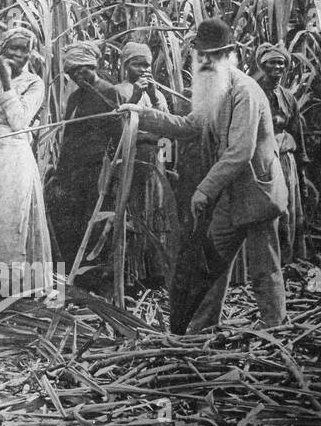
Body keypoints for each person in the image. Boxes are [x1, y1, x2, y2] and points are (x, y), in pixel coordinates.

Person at [127, 18, 287, 331]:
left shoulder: (246, 92)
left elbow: (240, 151)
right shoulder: (215, 89)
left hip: (257, 194)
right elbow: (190, 126)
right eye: (201, 56)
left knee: (263, 269)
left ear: (230, 55)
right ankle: (201, 330)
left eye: (213, 56)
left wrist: (204, 190)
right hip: (230, 196)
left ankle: (277, 329)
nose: (205, 62)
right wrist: (142, 114)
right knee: (211, 264)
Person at [0, 26, 53, 294]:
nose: (18, 54)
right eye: (12, 48)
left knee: (12, 216)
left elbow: (20, 122)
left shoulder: (34, 83)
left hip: (14, 153)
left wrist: (7, 81)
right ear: (1, 50)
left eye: (23, 49)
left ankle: (16, 288)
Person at [44, 40, 120, 269]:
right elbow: (69, 135)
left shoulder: (109, 91)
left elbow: (117, 134)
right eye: (73, 72)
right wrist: (61, 170)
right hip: (74, 170)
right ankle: (71, 270)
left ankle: (93, 275)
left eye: (83, 69)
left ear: (93, 66)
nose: (79, 75)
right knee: (71, 220)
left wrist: (111, 169)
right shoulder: (76, 98)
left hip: (98, 169)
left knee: (95, 222)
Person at [114, 40, 177, 290]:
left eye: (147, 65)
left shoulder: (158, 93)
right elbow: (122, 127)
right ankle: (134, 274)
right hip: (133, 155)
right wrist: (137, 95)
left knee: (157, 211)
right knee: (136, 211)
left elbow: (166, 126)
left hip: (157, 158)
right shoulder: (120, 90)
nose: (143, 70)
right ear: (126, 65)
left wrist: (151, 94)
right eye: (137, 64)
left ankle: (157, 272)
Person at [254, 43, 305, 262]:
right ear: (263, 65)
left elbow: (296, 130)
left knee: (287, 207)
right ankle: (266, 260)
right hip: (263, 158)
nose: (278, 67)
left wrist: (301, 160)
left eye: (281, 63)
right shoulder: (253, 91)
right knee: (267, 207)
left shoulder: (288, 97)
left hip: (286, 159)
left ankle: (286, 258)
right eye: (273, 62)